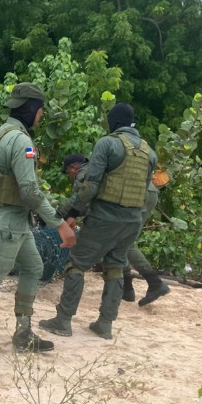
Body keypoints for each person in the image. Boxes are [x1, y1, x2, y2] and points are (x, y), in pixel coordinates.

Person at [0, 83, 76, 362]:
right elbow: (29, 191)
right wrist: (60, 224)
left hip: (13, 221)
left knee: (33, 267)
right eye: (40, 111)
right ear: (32, 110)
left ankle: (23, 333)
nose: (41, 117)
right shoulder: (21, 141)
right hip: (7, 223)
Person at [40, 102, 156, 340]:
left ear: (113, 122)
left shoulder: (108, 143)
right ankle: (105, 325)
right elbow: (145, 189)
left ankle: (63, 320)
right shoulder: (149, 152)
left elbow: (91, 185)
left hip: (105, 217)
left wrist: (73, 214)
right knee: (115, 267)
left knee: (76, 264)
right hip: (132, 220)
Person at [59, 153, 169, 308]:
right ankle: (127, 289)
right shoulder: (99, 165)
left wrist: (59, 213)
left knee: (125, 241)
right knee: (121, 238)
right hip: (145, 191)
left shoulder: (83, 172)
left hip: (138, 194)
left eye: (68, 172)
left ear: (73, 167)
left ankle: (155, 283)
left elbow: (81, 197)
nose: (69, 176)